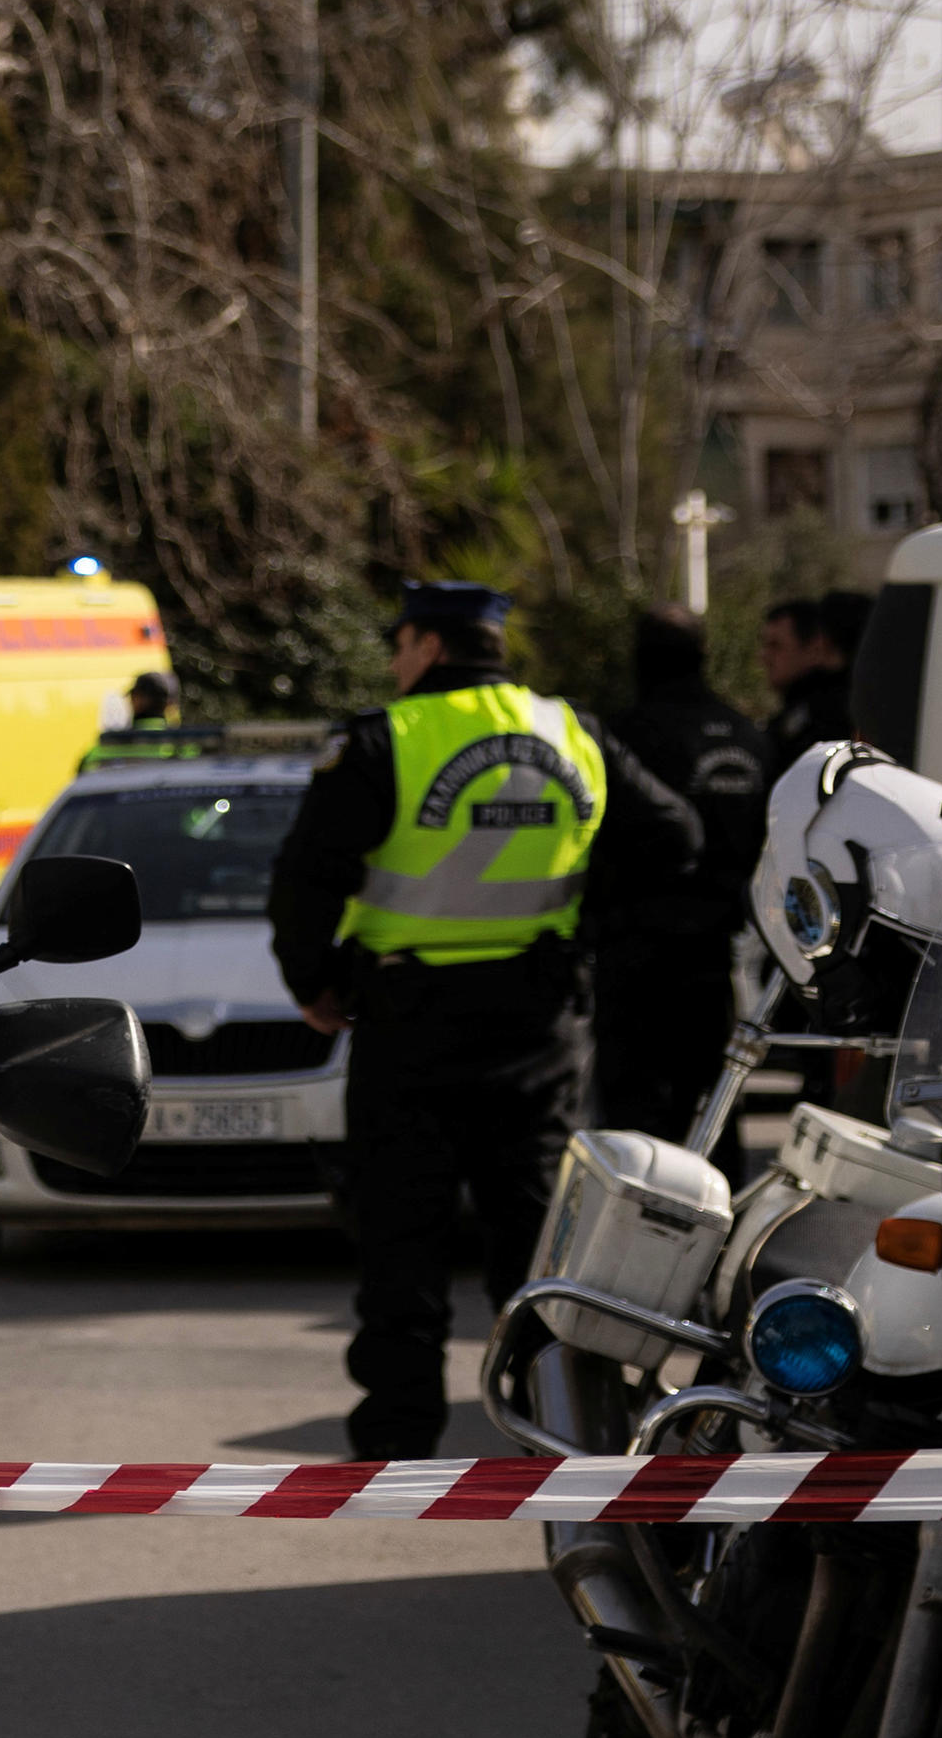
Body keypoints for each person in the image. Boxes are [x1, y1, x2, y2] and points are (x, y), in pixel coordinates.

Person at [267, 581, 699, 1457]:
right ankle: (555, 1435)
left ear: (427, 644)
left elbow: (307, 874)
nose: (396, 661)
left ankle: (396, 1445)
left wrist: (315, 982)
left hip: (411, 1023)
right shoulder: (570, 730)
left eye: (400, 644)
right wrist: (586, 937)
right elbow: (676, 836)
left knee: (403, 1244)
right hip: (539, 1024)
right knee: (535, 1242)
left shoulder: (387, 738)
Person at [591, 608, 772, 1145]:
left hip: (637, 955)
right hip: (718, 953)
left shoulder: (627, 736)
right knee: (711, 1113)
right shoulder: (750, 736)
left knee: (637, 1120)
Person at [759, 590, 866, 771]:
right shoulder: (801, 710)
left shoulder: (824, 715)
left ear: (816, 647)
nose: (764, 657)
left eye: (776, 646)